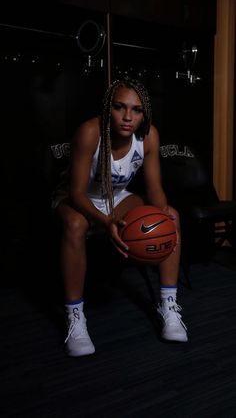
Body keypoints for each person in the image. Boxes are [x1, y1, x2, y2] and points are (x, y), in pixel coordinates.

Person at [52, 77, 188, 357]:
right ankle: (75, 318)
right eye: (120, 107)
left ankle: (169, 305)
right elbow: (76, 192)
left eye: (136, 110)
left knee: (170, 216)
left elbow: (154, 189)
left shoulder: (148, 136)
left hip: (115, 197)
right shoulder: (90, 132)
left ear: (144, 113)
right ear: (108, 108)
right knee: (76, 224)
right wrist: (104, 222)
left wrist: (163, 219)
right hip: (76, 198)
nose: (128, 117)